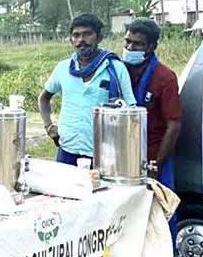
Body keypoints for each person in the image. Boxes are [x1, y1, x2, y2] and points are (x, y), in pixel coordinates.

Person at [39, 13, 136, 166]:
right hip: (67, 150)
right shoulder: (63, 68)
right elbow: (44, 97)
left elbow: (131, 110)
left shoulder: (116, 69)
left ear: (99, 38)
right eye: (76, 35)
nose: (81, 40)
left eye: (87, 34)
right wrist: (48, 126)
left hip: (103, 153)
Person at [123, 18, 181, 243]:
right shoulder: (120, 71)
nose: (130, 48)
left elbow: (174, 124)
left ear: (151, 47)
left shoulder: (164, 77)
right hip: (124, 157)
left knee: (161, 214)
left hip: (155, 156)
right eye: (127, 42)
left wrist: (156, 163)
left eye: (137, 44)